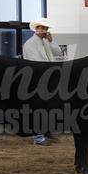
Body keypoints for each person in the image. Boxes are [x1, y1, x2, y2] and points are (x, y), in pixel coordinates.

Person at [23, 17, 63, 145]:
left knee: (47, 107)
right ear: (37, 29)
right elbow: (35, 63)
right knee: (37, 108)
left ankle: (45, 131)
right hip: (36, 79)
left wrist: (51, 41)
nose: (45, 30)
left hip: (47, 78)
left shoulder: (46, 42)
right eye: (42, 28)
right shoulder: (29, 44)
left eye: (46, 28)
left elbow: (58, 52)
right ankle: (38, 136)